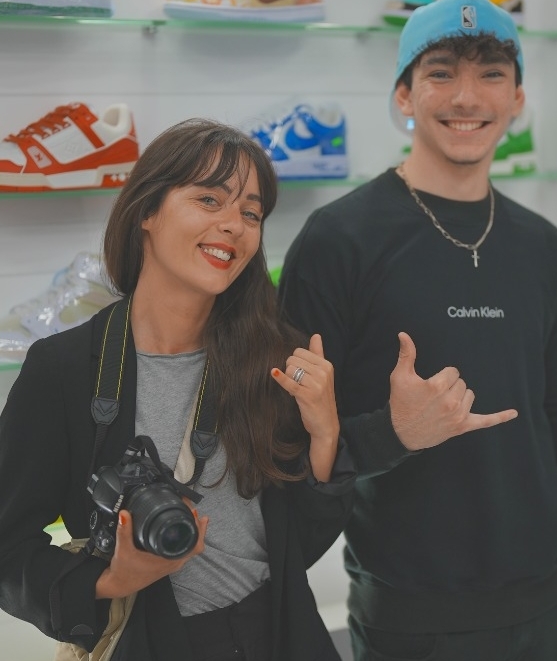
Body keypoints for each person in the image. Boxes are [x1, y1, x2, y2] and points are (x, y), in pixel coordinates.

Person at [277, 0, 557, 660]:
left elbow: (556, 427)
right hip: (409, 621)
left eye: (491, 74)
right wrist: (394, 431)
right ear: (404, 95)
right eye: (441, 73)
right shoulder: (338, 239)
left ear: (516, 99)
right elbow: (291, 442)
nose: (467, 96)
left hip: (546, 610)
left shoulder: (539, 243)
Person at [0, 119, 355, 661]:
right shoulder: (64, 369)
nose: (234, 225)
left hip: (280, 635)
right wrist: (110, 580)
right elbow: (7, 548)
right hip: (148, 642)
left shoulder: (273, 357)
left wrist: (326, 436)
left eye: (251, 213)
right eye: (209, 199)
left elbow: (294, 546)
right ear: (147, 210)